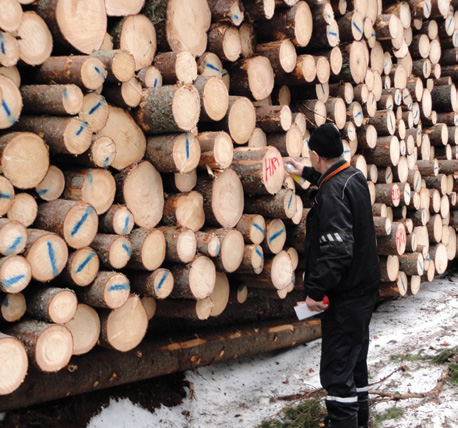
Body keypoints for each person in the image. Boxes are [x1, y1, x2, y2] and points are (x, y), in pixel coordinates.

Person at [285, 123, 380, 428]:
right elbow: (330, 179)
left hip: (345, 298)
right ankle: (360, 422)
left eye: (309, 156)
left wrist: (315, 291)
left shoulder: (333, 195)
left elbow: (337, 251)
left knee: (337, 374)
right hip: (363, 293)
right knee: (355, 367)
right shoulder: (353, 177)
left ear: (315, 154)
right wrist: (305, 172)